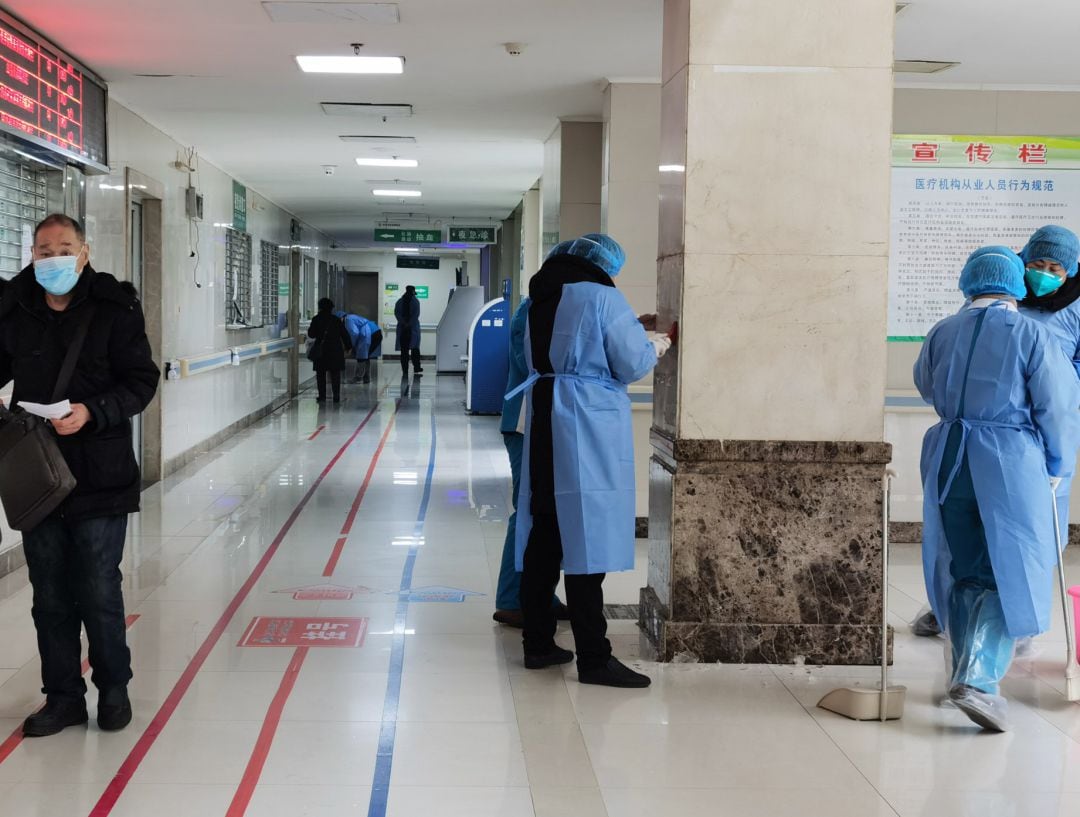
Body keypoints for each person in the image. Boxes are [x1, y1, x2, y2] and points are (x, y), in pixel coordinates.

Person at [0, 214, 160, 737]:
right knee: (49, 593)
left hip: (100, 471)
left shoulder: (115, 308)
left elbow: (140, 381)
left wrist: (93, 411)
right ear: (32, 254)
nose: (53, 259)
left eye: (63, 248)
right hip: (37, 475)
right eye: (44, 251)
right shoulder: (13, 307)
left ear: (84, 252)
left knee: (97, 586)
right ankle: (63, 696)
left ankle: (113, 689)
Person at [915, 246, 1080, 732]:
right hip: (1010, 460)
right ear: (1016, 283)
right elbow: (1056, 406)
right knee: (1013, 571)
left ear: (969, 281)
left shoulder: (943, 330)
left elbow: (926, 384)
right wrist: (1057, 464)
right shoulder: (1032, 333)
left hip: (949, 455)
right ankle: (980, 682)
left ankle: (964, 670)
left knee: (965, 570)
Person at [513, 234, 672, 688]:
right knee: (588, 531)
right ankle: (594, 658)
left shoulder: (541, 295)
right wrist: (657, 344)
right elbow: (629, 362)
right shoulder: (602, 294)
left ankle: (538, 643)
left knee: (546, 528)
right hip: (586, 418)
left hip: (545, 411)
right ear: (602, 264)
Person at [493, 296, 568, 628]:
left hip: (542, 422)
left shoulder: (554, 305)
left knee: (544, 514)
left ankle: (539, 594)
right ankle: (511, 599)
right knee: (525, 511)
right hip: (525, 423)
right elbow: (538, 359)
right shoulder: (533, 308)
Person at [307, 298, 351, 403]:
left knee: (320, 374)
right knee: (335, 374)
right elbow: (344, 334)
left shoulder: (316, 319)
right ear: (331, 308)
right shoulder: (336, 320)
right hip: (335, 350)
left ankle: (322, 396)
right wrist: (349, 346)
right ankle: (336, 396)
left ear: (320, 307)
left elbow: (311, 334)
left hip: (321, 351)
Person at [341, 312, 383, 384]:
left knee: (361, 357)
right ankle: (366, 377)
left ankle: (358, 378)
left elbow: (354, 333)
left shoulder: (348, 319)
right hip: (375, 332)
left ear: (341, 318)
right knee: (365, 357)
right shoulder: (350, 317)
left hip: (369, 334)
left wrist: (350, 346)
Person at [394, 285, 423, 377]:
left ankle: (405, 370)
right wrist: (409, 324)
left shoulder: (399, 301)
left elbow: (397, 314)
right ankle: (417, 367)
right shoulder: (415, 302)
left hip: (403, 329)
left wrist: (403, 323)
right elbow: (416, 315)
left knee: (404, 351)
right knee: (415, 348)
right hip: (412, 328)